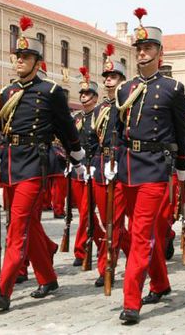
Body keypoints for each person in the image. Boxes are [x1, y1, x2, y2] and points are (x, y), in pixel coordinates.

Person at [0, 16, 84, 311]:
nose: (19, 61)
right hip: (9, 163)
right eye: (17, 56)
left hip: (34, 164)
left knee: (17, 226)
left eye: (26, 57)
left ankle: (4, 289)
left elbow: (65, 126)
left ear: (37, 62)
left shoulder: (50, 92)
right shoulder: (6, 92)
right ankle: (48, 275)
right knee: (27, 223)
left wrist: (76, 154)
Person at [113, 8, 185, 324]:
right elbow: (118, 131)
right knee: (145, 231)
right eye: (139, 49)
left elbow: (180, 129)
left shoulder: (172, 89)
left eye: (148, 49)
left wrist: (182, 164)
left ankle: (132, 301)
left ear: (160, 53)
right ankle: (160, 282)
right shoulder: (124, 89)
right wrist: (112, 161)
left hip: (156, 167)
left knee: (140, 233)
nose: (143, 54)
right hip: (128, 166)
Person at [92, 44, 130, 287]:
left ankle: (106, 264)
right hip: (100, 165)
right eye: (106, 77)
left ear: (122, 80)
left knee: (113, 221)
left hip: (120, 164)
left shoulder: (127, 106)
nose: (108, 81)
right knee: (105, 217)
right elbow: (92, 139)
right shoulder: (99, 109)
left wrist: (120, 158)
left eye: (113, 77)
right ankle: (138, 251)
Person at [71, 67, 105, 267]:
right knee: (84, 212)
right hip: (78, 168)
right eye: (82, 94)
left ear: (95, 97)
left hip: (93, 166)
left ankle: (80, 249)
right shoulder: (76, 117)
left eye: (88, 94)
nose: (84, 97)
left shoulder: (100, 115)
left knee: (86, 211)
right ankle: (101, 240)